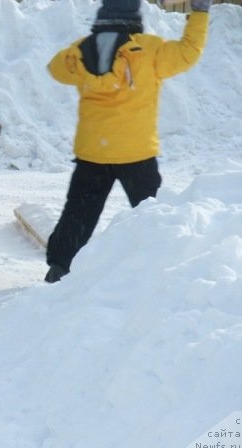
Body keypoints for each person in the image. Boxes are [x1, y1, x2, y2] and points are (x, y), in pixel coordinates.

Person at [44, 0, 211, 283]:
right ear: (134, 18)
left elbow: (56, 69)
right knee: (153, 211)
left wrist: (83, 46)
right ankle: (164, 262)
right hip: (136, 154)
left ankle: (60, 267)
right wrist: (200, 14)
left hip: (92, 152)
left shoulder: (81, 49)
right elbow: (188, 52)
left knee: (78, 213)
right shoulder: (149, 49)